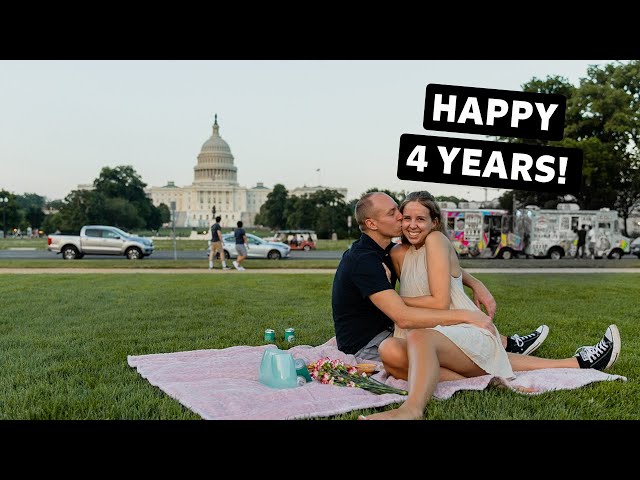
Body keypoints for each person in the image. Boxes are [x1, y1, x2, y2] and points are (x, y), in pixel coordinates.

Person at [362, 191, 621, 420]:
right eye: (406, 218)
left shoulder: (436, 240)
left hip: (460, 327)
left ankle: (412, 409)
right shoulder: (396, 254)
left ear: (435, 223)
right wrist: (474, 282)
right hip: (435, 335)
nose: (412, 225)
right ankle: (507, 378)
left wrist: (387, 296)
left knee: (421, 338)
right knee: (390, 352)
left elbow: (439, 300)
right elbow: (437, 272)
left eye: (420, 219)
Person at [332, 191, 548, 366]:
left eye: (399, 211)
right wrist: (466, 316)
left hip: (386, 329)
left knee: (451, 342)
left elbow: (434, 265)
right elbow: (404, 317)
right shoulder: (364, 260)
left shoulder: (387, 250)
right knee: (455, 353)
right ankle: (507, 367)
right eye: (393, 214)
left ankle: (508, 345)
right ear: (371, 224)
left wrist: (475, 283)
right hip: (369, 345)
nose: (400, 217)